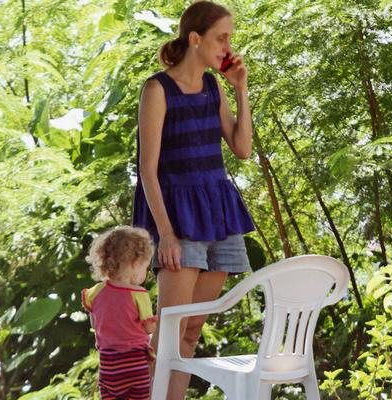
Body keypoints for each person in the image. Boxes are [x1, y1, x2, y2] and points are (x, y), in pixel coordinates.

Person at [132, 1, 255, 399]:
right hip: (178, 218)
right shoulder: (157, 89)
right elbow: (147, 170)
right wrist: (165, 235)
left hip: (219, 212)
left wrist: (241, 89)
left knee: (190, 334)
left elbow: (242, 149)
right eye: (221, 38)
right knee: (168, 336)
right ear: (195, 38)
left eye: (229, 39)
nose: (227, 46)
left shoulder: (213, 87)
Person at [81, 226, 159, 400]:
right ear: (135, 263)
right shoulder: (139, 294)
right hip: (135, 363)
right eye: (145, 267)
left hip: (108, 364)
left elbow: (95, 324)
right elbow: (148, 328)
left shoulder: (95, 291)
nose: (145, 273)